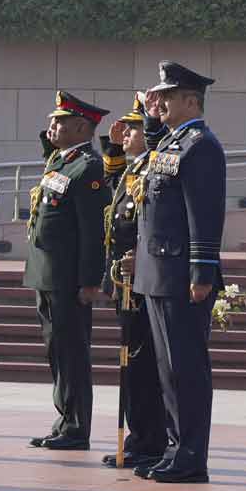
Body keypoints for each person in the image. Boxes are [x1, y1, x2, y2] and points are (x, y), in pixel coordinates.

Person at [132, 61, 226, 484]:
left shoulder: (201, 145)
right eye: (159, 96)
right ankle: (174, 449)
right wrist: (150, 121)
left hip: (181, 274)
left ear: (192, 100)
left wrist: (202, 270)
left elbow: (203, 214)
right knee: (166, 370)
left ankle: (191, 455)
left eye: (168, 97)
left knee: (185, 367)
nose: (160, 102)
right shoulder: (171, 143)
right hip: (159, 272)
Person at [24, 91, 111, 451]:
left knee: (73, 353)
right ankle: (64, 420)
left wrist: (91, 280)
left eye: (59, 121)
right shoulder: (61, 162)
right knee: (56, 351)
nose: (51, 126)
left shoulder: (89, 166)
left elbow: (93, 231)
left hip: (68, 278)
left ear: (81, 127)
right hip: (48, 274)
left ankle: (77, 428)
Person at [98, 94, 168, 469]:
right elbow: (115, 188)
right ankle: (140, 438)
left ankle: (150, 440)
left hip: (141, 278)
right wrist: (111, 146)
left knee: (144, 364)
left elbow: (148, 223)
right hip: (124, 279)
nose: (125, 134)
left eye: (133, 129)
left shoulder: (152, 167)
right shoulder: (133, 169)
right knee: (133, 363)